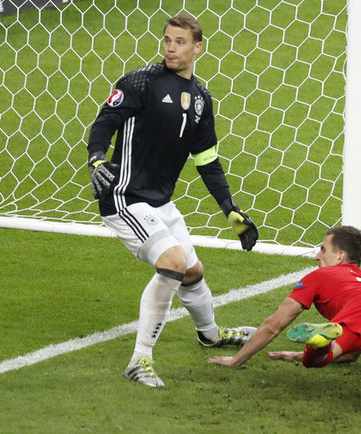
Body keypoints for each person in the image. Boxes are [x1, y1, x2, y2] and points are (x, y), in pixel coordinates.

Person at [85, 13, 259, 387]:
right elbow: (104, 122)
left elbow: (207, 161)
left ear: (197, 48)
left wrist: (230, 209)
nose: (170, 47)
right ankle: (139, 360)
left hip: (160, 202)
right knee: (174, 262)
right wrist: (97, 158)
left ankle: (210, 334)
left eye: (179, 41)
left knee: (192, 272)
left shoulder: (201, 100)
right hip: (125, 198)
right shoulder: (140, 82)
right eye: (167, 40)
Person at [207, 225, 361, 369]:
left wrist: (236, 359)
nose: (317, 256)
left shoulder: (320, 276)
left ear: (339, 257)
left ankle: (318, 345)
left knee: (315, 361)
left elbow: (274, 325)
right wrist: (297, 355)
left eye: (323, 249)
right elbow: (352, 352)